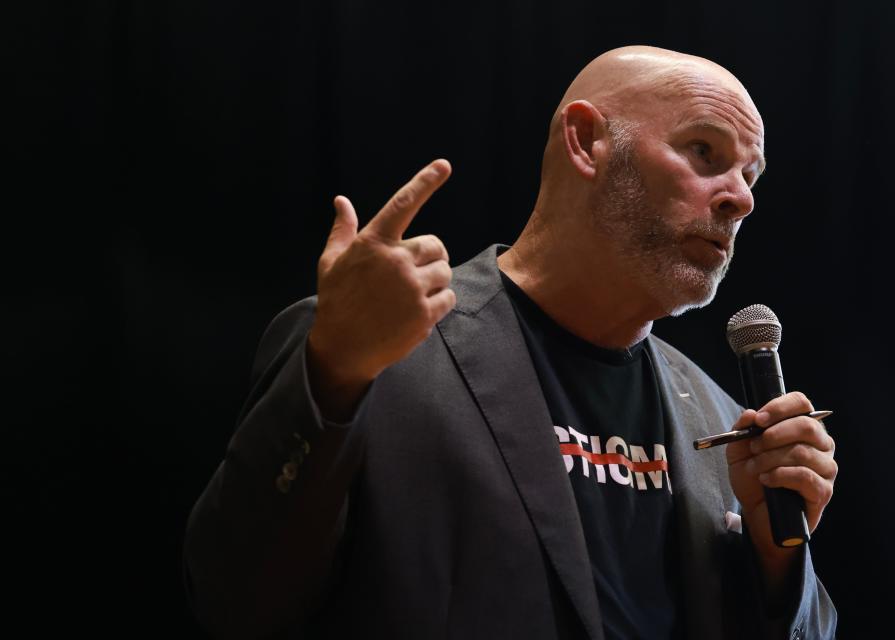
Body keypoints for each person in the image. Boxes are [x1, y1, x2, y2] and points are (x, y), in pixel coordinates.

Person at [184, 46, 838, 639]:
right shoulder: (376, 347)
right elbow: (234, 600)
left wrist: (778, 557)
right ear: (587, 141)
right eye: (704, 152)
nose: (741, 200)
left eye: (751, 176)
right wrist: (331, 374)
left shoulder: (727, 421)